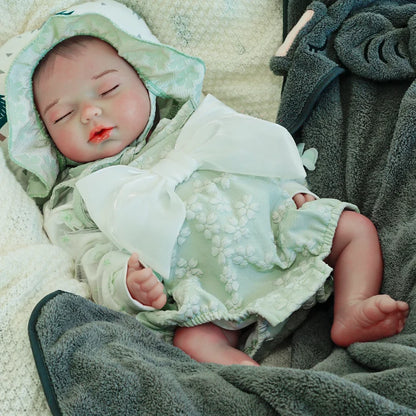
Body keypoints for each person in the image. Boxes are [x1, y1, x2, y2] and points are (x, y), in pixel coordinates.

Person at [7, 2, 408, 366]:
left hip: (274, 235)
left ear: (146, 80)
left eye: (109, 90)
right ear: (46, 137)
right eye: (63, 115)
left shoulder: (196, 121)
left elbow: (258, 150)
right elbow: (87, 257)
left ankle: (352, 307)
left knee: (354, 229)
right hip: (201, 289)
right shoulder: (78, 195)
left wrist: (291, 192)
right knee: (193, 343)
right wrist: (124, 282)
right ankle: (252, 378)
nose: (91, 113)